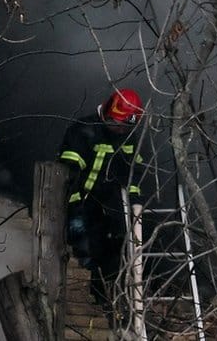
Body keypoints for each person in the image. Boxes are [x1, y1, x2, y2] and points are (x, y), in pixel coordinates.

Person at [58, 88, 147, 309]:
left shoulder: (128, 139)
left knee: (110, 251)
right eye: (114, 122)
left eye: (124, 125)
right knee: (81, 248)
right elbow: (68, 165)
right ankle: (81, 299)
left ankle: (101, 301)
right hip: (77, 201)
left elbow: (133, 172)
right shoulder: (84, 129)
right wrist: (71, 194)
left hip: (105, 207)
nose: (118, 129)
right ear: (106, 111)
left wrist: (135, 201)